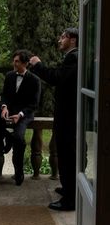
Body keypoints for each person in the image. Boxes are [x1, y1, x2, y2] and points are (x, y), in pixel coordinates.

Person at [30, 27, 78, 211]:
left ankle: (70, 200)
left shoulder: (74, 57)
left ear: (72, 40)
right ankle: (68, 190)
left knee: (67, 157)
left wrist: (38, 65)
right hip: (68, 117)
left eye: (62, 37)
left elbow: (56, 78)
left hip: (69, 119)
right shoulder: (71, 57)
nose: (59, 39)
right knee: (65, 155)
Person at [0, 49, 41, 185]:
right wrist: (4, 107)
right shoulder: (9, 76)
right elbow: (5, 95)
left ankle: (19, 172)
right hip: (8, 112)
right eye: (13, 61)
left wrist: (20, 115)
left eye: (17, 61)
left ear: (25, 63)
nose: (14, 64)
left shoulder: (35, 80)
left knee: (19, 138)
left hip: (24, 114)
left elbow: (34, 104)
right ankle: (8, 139)